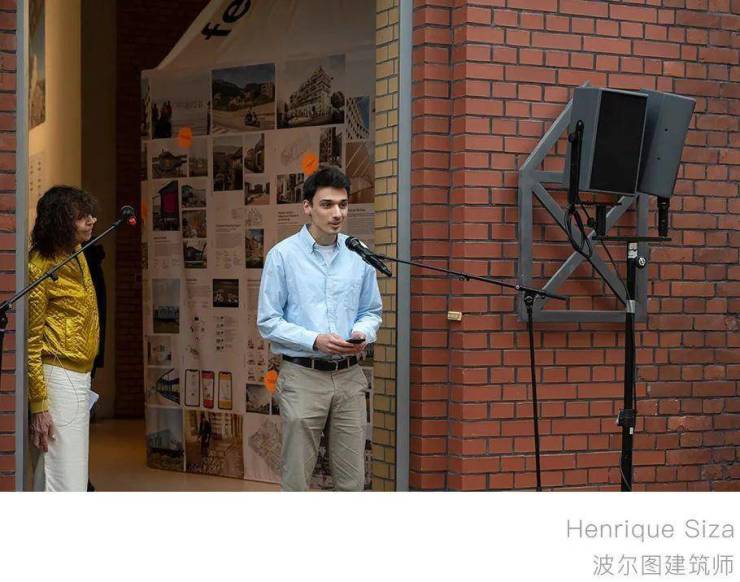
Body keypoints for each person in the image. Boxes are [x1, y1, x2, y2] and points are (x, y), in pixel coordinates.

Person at [257, 166, 382, 491]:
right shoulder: (282, 256)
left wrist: (362, 333)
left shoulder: (358, 253)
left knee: (352, 482)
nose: (337, 213)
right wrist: (315, 340)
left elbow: (371, 311)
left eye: (343, 204)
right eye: (327, 204)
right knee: (297, 481)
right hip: (303, 376)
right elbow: (268, 321)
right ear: (307, 207)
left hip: (349, 376)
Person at [27, 186, 100, 491]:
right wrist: (39, 405)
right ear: (61, 221)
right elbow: (31, 342)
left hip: (79, 376)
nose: (92, 221)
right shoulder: (40, 266)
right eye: (82, 217)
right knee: (63, 477)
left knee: (68, 474)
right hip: (57, 377)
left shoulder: (77, 253)